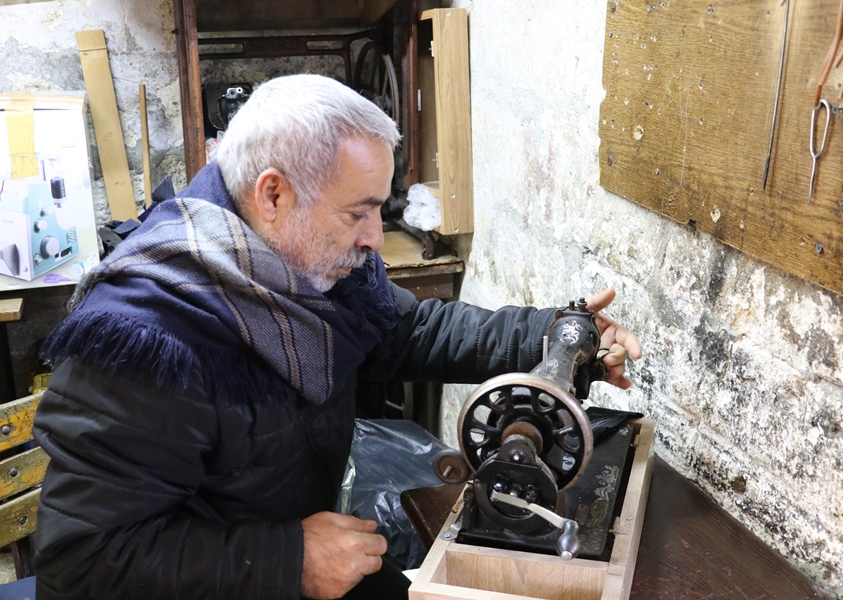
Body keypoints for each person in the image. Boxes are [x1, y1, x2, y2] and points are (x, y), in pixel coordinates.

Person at [32, 73, 642, 600]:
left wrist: (552, 337)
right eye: (358, 212)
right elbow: (81, 563)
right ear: (273, 194)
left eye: (380, 209)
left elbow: (407, 329)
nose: (376, 236)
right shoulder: (147, 342)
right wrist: (288, 559)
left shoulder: (305, 263)